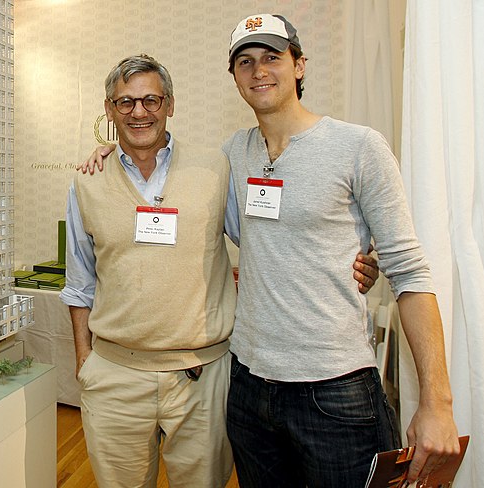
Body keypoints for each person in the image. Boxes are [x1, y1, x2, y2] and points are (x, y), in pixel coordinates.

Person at [63, 53, 379, 488]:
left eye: (151, 100)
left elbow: (266, 237)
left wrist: (355, 258)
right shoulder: (87, 181)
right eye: (126, 103)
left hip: (203, 379)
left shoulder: (216, 169)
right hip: (116, 376)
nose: (139, 112)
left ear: (170, 105)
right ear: (109, 109)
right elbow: (79, 283)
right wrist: (85, 361)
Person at [221, 13, 460, 488]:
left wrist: (438, 404)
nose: (259, 71)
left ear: (300, 65)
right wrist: (114, 152)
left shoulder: (358, 147)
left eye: (272, 57)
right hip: (248, 386)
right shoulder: (232, 153)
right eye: (245, 62)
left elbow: (410, 272)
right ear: (235, 78)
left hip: (335, 392)